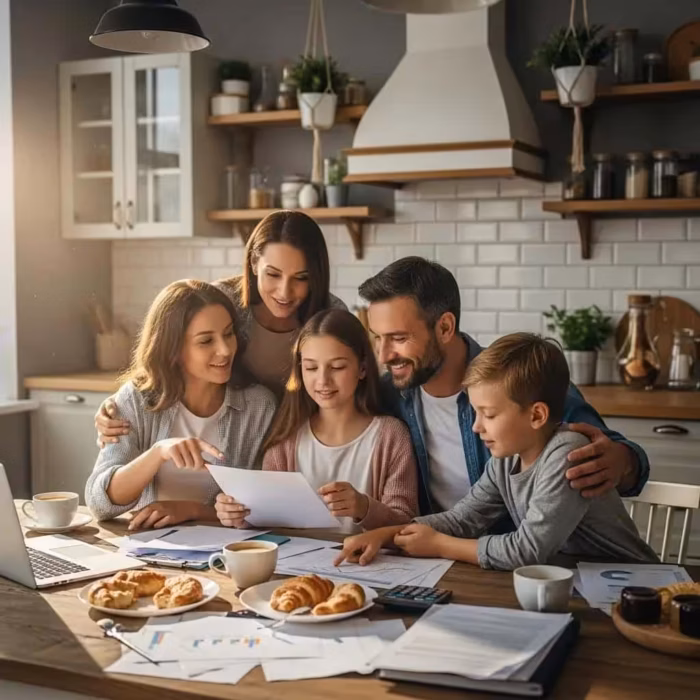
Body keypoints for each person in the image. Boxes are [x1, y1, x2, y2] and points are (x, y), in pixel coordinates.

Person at [334, 333, 658, 570]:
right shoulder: (505, 460)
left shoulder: (566, 455)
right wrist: (385, 534)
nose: (476, 427)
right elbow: (462, 519)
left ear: (536, 416)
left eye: (488, 415)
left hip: (634, 584)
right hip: (575, 581)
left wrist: (440, 546)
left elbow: (527, 551)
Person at [358, 257, 650, 515]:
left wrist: (621, 462)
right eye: (377, 337)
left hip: (526, 562)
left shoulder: (517, 376)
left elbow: (623, 458)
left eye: (398, 338)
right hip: (439, 555)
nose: (383, 356)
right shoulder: (387, 395)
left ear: (445, 327)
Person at [94, 210, 346, 444]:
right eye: (273, 274)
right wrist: (119, 405)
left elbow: (348, 390)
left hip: (305, 440)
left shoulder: (332, 316)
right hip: (236, 438)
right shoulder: (223, 299)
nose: (284, 291)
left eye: (301, 278)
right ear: (254, 264)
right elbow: (167, 351)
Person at [85, 280, 276, 529]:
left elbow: (264, 508)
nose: (225, 350)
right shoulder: (136, 399)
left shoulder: (258, 406)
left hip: (227, 554)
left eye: (228, 334)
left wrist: (192, 511)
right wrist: (158, 453)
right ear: (173, 349)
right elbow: (99, 503)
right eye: (206, 341)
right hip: (148, 547)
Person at [214, 309, 419, 533]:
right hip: (298, 566)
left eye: (337, 367)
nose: (323, 380)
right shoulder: (286, 440)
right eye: (311, 367)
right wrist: (240, 515)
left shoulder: (391, 436)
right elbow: (271, 521)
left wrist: (364, 507)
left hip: (372, 564)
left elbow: (405, 524)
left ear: (362, 368)